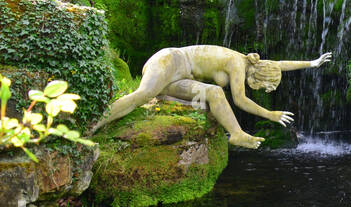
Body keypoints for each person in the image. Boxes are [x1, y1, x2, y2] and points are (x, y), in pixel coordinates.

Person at [91, 46, 332, 149]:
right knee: (142, 95)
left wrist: (312, 63)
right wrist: (270, 115)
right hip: (170, 60)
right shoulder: (238, 63)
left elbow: (279, 64)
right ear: (259, 77)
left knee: (215, 92)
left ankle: (236, 134)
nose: (259, 89)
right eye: (263, 86)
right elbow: (239, 100)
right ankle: (94, 124)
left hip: (180, 78)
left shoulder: (252, 64)